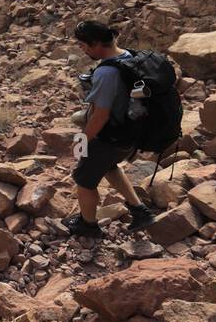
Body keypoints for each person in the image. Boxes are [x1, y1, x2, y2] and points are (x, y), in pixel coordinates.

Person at [64, 20, 156, 237]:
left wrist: (83, 139)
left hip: (111, 136)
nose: (83, 50)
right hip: (132, 132)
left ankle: (87, 225)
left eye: (83, 45)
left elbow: (100, 115)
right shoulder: (129, 56)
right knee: (110, 166)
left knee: (84, 179)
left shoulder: (106, 73)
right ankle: (140, 211)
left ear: (96, 43)